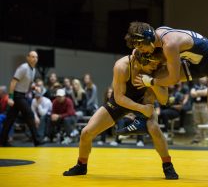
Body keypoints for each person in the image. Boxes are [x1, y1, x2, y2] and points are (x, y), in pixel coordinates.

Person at [125, 22, 208, 173]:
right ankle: (142, 119)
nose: (142, 51)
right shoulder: (156, 35)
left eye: (142, 47)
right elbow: (146, 52)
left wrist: (151, 82)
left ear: (149, 39)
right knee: (155, 74)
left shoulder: (169, 44)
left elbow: (173, 79)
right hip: (193, 62)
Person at [63, 48, 179, 180]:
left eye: (156, 64)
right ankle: (81, 165)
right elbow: (119, 98)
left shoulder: (158, 68)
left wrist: (151, 83)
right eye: (152, 64)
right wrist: (140, 108)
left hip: (144, 102)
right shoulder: (122, 66)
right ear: (141, 61)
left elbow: (164, 100)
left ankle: (167, 165)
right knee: (86, 133)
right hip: (121, 102)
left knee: (154, 128)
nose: (155, 66)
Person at [0, 51, 43, 146]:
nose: (34, 59)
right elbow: (13, 82)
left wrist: (35, 87)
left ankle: (2, 141)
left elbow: (29, 83)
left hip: (22, 95)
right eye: (32, 57)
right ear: (28, 58)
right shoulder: (23, 67)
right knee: (30, 115)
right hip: (17, 96)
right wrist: (10, 97)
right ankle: (37, 140)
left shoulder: (33, 70)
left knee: (10, 119)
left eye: (36, 57)